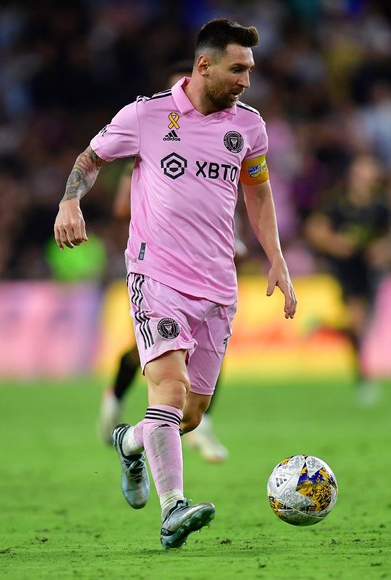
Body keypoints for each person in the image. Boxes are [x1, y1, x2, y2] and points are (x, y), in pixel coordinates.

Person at [54, 18, 296, 549]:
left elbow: (257, 194)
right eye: (238, 69)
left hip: (219, 285)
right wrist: (71, 200)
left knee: (189, 413)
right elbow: (90, 160)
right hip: (155, 274)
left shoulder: (249, 127)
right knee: (168, 389)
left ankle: (131, 442)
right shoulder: (145, 115)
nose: (246, 81)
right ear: (204, 65)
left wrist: (276, 258)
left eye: (250, 70)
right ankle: (173, 511)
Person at [97, 62, 232, 465]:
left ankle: (193, 423)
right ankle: (114, 400)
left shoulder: (219, 140)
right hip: (158, 267)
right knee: (148, 354)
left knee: (203, 355)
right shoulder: (151, 135)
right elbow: (122, 206)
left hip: (207, 269)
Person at [303, 153, 391, 405]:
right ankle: (364, 381)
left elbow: (387, 238)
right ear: (354, 172)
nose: (367, 172)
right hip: (345, 269)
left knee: (360, 329)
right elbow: (314, 229)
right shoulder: (338, 203)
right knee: (359, 324)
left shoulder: (381, 206)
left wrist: (381, 251)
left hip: (368, 271)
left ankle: (323, 327)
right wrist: (336, 244)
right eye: (363, 167)